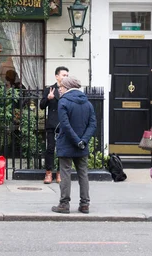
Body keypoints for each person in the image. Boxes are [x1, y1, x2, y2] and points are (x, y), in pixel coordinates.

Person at [52, 76, 97, 214]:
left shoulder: (64, 102)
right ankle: (85, 204)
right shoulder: (87, 103)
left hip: (67, 142)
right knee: (83, 173)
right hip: (82, 144)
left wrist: (76, 140)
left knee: (65, 173)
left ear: (66, 87)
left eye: (60, 87)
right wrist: (83, 140)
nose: (59, 90)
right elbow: (93, 124)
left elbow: (65, 125)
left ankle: (64, 204)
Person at [39, 66, 69, 184]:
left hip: (64, 124)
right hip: (52, 123)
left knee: (62, 149)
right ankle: (48, 173)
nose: (65, 77)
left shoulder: (69, 89)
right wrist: (48, 98)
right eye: (63, 75)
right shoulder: (50, 89)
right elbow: (41, 105)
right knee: (50, 148)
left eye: (67, 75)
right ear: (57, 76)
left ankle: (60, 173)